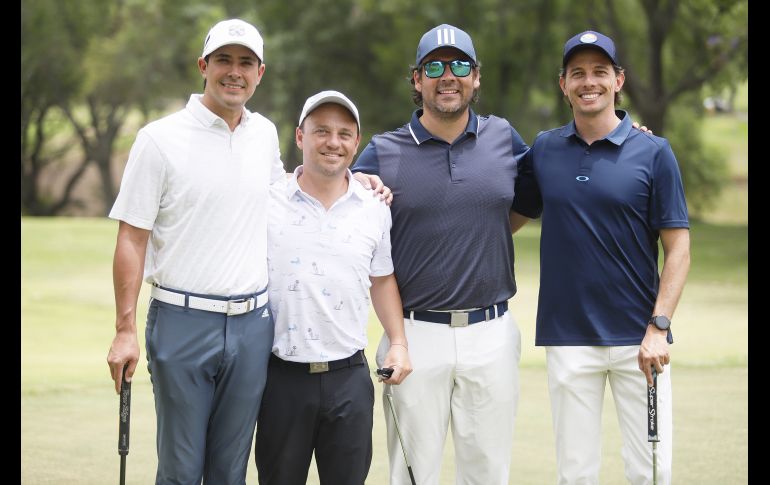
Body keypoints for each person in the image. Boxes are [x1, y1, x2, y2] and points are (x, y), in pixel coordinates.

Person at [351, 24, 539, 485]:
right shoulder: (385, 150)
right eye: (434, 66)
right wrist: (354, 180)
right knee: (413, 473)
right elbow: (332, 193)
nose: (447, 75)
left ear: (476, 77)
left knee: (488, 473)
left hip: (492, 331)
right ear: (417, 80)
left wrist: (629, 131)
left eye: (459, 65)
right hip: (414, 334)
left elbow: (527, 203)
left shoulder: (503, 138)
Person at [105, 19, 285, 484]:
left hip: (251, 326)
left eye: (246, 62)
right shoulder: (160, 139)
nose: (234, 72)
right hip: (181, 321)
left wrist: (358, 180)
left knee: (229, 472)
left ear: (260, 73)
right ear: (203, 66)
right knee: (182, 470)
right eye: (223, 60)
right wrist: (124, 330)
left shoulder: (264, 134)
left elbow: (287, 196)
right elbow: (132, 237)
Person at [519, 30, 691, 484]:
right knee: (575, 474)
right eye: (577, 73)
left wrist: (659, 327)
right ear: (563, 84)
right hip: (568, 338)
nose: (588, 82)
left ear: (619, 80)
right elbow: (499, 215)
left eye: (599, 72)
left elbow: (678, 249)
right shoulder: (544, 149)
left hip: (641, 341)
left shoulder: (654, 152)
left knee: (652, 471)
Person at [254, 90, 412, 484]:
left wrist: (398, 341)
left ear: (356, 143)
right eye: (321, 131)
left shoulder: (375, 206)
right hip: (281, 378)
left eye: (344, 133)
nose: (333, 142)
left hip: (349, 379)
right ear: (300, 137)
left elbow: (382, 277)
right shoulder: (267, 202)